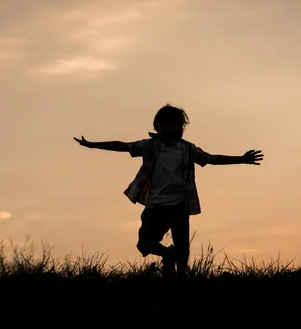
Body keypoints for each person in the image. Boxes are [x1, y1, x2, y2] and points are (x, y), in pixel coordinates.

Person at [73, 103, 263, 280]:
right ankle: (168, 255)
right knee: (144, 245)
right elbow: (123, 146)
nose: (169, 128)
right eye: (164, 124)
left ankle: (180, 279)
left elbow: (210, 158)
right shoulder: (149, 146)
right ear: (157, 127)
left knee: (183, 247)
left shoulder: (188, 149)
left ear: (180, 128)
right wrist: (93, 145)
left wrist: (241, 159)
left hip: (179, 205)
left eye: (174, 124)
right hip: (155, 205)